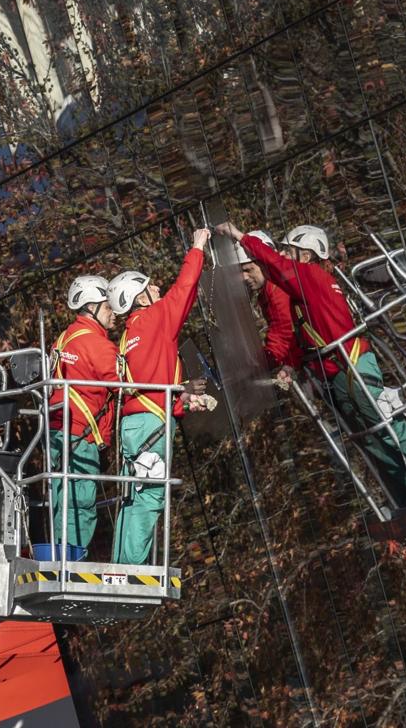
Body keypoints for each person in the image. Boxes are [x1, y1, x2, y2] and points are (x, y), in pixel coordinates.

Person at [215, 221, 406, 506]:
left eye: (290, 252)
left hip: (349, 366)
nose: (285, 257)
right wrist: (290, 365)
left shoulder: (312, 277)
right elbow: (297, 332)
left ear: (306, 255)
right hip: (335, 372)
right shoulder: (302, 290)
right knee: (370, 439)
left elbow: (276, 276)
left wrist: (240, 237)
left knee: (389, 427)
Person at [107, 227, 211, 565]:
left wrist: (182, 402)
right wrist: (197, 247)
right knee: (149, 496)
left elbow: (149, 382)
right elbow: (184, 290)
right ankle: (130, 571)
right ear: (139, 298)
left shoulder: (128, 337)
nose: (156, 288)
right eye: (149, 286)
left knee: (132, 495)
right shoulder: (154, 319)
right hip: (151, 424)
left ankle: (123, 563)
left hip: (133, 425)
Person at [48, 275, 118, 556]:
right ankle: (71, 562)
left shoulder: (64, 339)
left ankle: (61, 556)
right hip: (80, 436)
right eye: (109, 306)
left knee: (62, 499)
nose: (114, 313)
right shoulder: (97, 344)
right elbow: (128, 384)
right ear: (93, 307)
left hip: (59, 431)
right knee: (80, 503)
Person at [236, 229, 302, 387]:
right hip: (299, 361)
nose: (244, 277)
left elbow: (284, 332)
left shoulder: (275, 289)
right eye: (241, 271)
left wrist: (262, 364)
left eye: (248, 270)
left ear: (263, 264)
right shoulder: (267, 290)